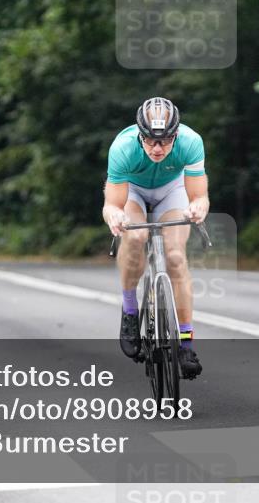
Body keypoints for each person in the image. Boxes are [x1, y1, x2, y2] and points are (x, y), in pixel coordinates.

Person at [102, 97, 209, 379]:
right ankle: (129, 310)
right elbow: (112, 204)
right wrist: (114, 216)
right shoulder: (122, 148)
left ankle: (186, 343)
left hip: (171, 189)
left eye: (165, 140)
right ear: (140, 134)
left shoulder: (191, 141)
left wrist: (198, 207)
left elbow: (199, 196)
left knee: (175, 256)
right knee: (135, 238)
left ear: (176, 134)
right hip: (133, 190)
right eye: (150, 140)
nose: (158, 148)